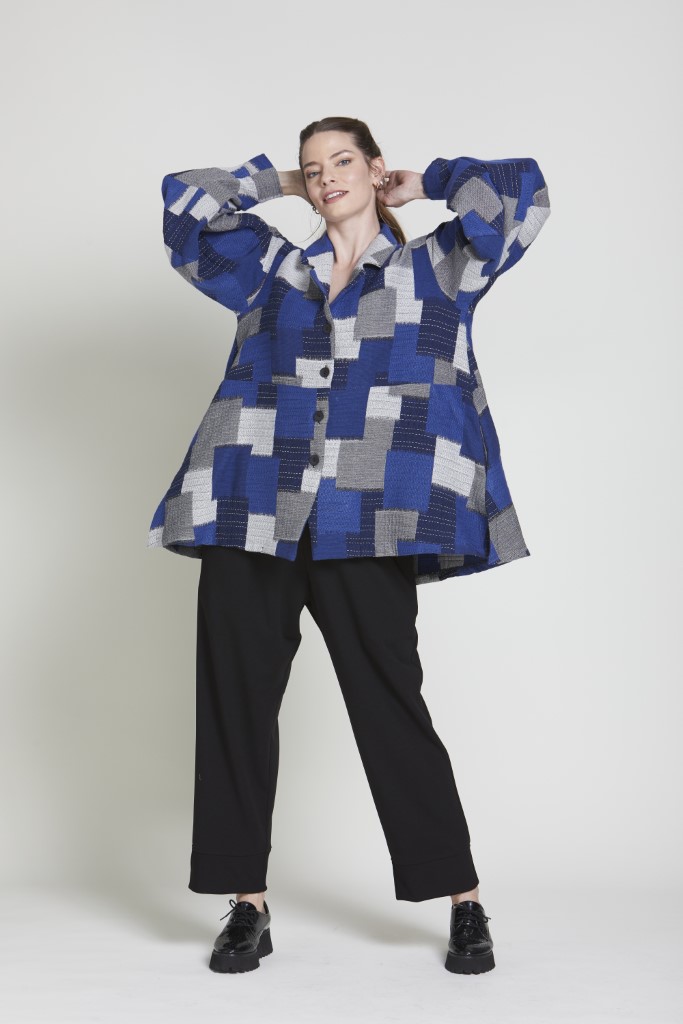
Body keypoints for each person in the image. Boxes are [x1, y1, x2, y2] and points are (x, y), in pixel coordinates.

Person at [147, 116, 551, 975]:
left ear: (374, 168)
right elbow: (184, 206)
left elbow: (520, 191)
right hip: (250, 502)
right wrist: (278, 184)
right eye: (313, 167)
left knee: (388, 702)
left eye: (342, 161)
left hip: (375, 512)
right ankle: (246, 903)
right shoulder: (268, 270)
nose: (326, 175)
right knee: (234, 703)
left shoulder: (439, 267)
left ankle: (462, 900)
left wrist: (428, 180)